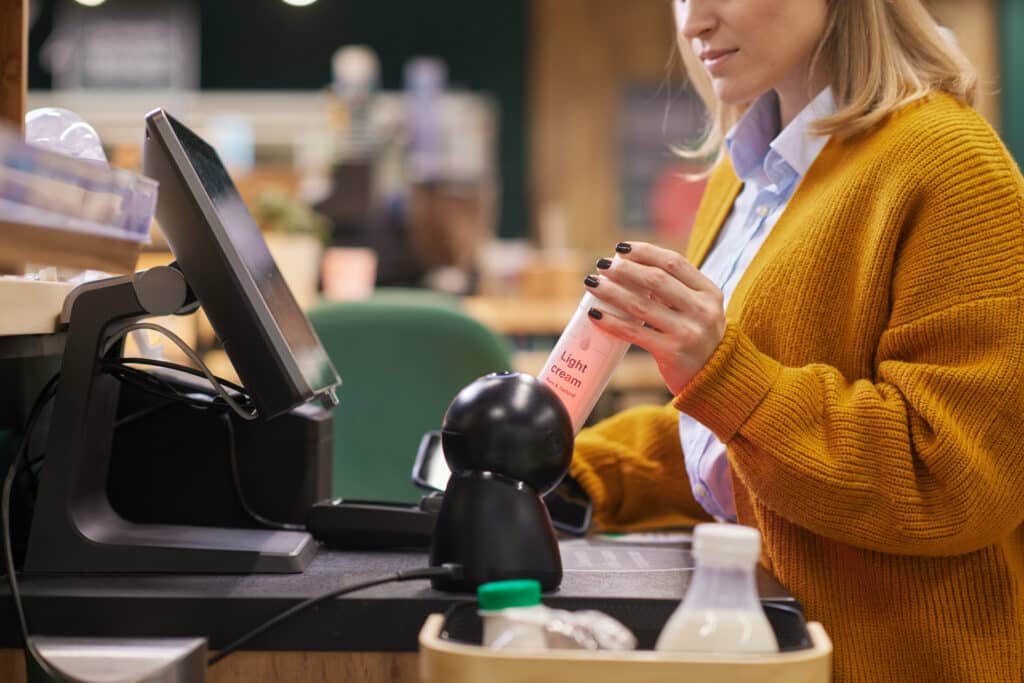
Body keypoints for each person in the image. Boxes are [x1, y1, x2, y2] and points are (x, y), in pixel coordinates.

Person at [569, 1, 1024, 680]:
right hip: (768, 645)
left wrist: (723, 374)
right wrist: (572, 470)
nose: (692, 23)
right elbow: (733, 450)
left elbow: (954, 476)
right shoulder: (743, 177)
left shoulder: (951, 164)